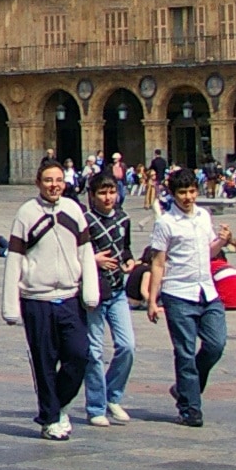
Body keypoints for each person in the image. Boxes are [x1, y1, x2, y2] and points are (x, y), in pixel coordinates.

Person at [0, 159, 98, 441]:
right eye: (48, 180)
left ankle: (57, 404)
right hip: (36, 299)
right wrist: (10, 305)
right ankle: (51, 418)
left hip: (69, 297)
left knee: (79, 355)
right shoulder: (26, 213)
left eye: (58, 180)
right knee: (44, 361)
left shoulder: (73, 210)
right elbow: (15, 259)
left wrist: (90, 292)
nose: (54, 185)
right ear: (38, 183)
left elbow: (86, 254)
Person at [143, 167, 233, 427]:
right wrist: (152, 299)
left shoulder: (204, 216)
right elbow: (158, 263)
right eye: (182, 192)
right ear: (172, 194)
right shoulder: (165, 223)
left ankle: (185, 388)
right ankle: (190, 408)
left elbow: (208, 251)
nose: (188, 197)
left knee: (216, 345)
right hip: (178, 293)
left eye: (192, 191)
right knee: (184, 352)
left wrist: (222, 242)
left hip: (207, 290)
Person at [80, 171, 137, 427]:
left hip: (117, 291)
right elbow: (75, 254)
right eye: (102, 192)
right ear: (92, 195)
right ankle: (95, 407)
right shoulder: (85, 221)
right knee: (94, 352)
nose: (108, 197)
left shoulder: (123, 219)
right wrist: (94, 260)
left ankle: (112, 395)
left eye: (111, 192)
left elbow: (126, 248)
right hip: (94, 293)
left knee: (127, 346)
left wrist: (129, 261)